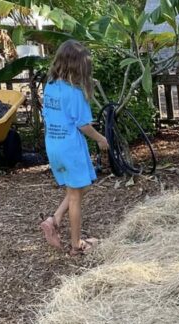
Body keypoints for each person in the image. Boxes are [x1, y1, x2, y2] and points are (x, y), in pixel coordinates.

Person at [38, 40, 109, 256]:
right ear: (80, 68)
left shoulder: (50, 85)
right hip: (71, 148)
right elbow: (84, 125)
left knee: (82, 187)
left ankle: (54, 220)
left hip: (53, 146)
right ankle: (76, 245)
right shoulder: (75, 93)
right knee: (76, 196)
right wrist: (100, 139)